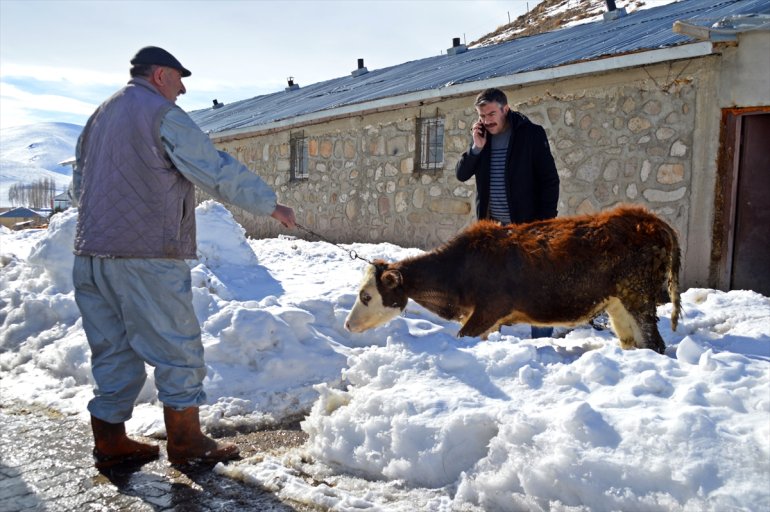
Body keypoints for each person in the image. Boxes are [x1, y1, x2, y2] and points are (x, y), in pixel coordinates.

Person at [71, 46, 296, 469]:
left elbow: (78, 185)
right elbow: (213, 168)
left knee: (112, 348)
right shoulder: (161, 114)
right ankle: (186, 442)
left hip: (89, 254)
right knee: (177, 347)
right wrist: (270, 204)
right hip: (147, 256)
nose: (183, 88)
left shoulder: (99, 116)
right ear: (159, 75)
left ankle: (111, 440)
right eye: (179, 78)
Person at [455, 88, 560, 339]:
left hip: (527, 226)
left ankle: (542, 341)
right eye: (482, 115)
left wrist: (544, 223)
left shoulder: (531, 134)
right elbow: (461, 174)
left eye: (491, 113)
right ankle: (493, 337)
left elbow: (549, 180)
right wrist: (476, 148)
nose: (487, 120)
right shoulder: (483, 140)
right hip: (494, 228)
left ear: (505, 108)